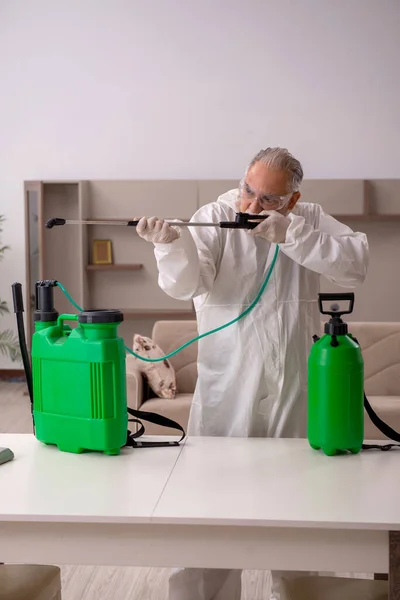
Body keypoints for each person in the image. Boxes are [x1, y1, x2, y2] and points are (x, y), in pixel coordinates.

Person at [136, 147, 369, 600]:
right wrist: (170, 244)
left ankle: (297, 591)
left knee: (300, 508)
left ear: (294, 200)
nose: (252, 206)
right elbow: (184, 284)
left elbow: (355, 265)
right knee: (210, 513)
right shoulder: (215, 214)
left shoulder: (311, 219)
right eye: (248, 190)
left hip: (294, 388)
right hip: (230, 387)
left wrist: (295, 235)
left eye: (269, 199)